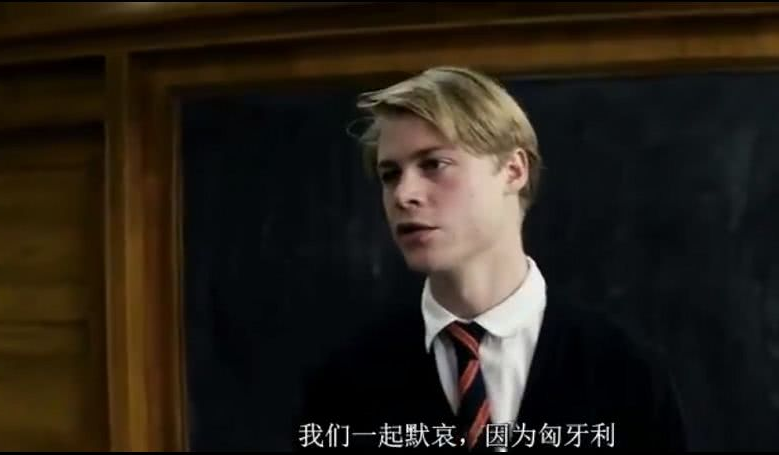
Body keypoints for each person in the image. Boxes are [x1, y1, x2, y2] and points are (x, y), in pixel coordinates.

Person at [294, 66, 687, 451]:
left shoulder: (626, 372)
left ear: (513, 170)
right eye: (390, 175)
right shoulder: (345, 383)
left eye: (434, 164)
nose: (403, 194)